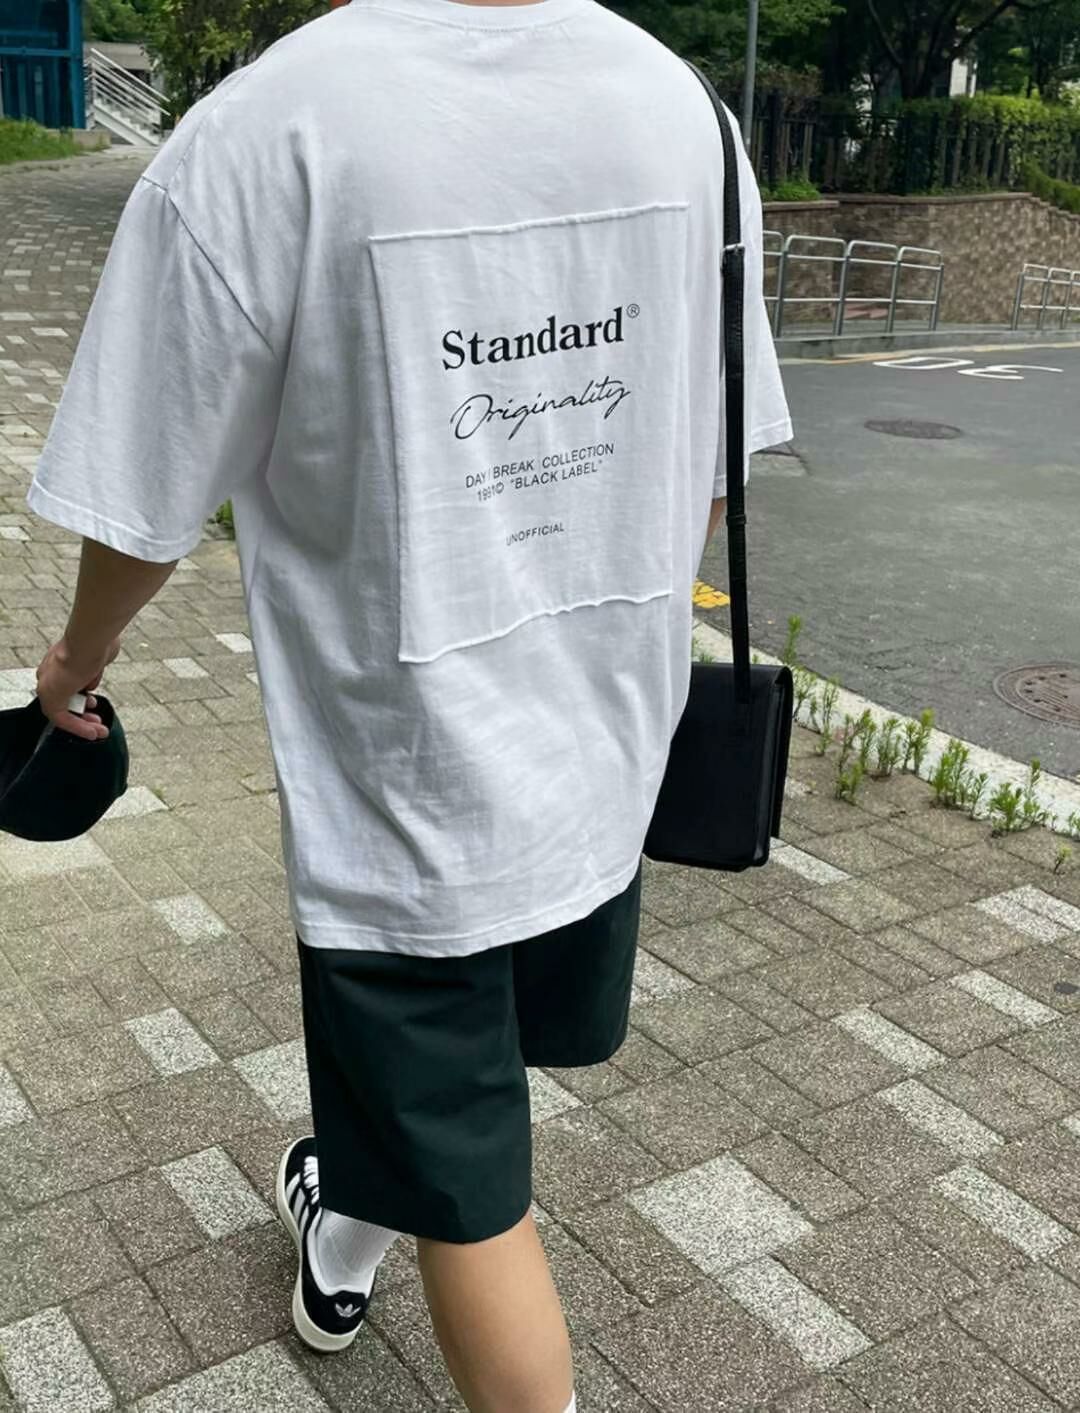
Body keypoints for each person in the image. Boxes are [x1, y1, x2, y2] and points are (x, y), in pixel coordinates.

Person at [28, 0, 792, 1408]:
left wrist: (77, 658)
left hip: (411, 784)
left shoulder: (267, 135)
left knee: (476, 1189)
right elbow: (711, 466)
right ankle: (342, 1235)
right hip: (607, 741)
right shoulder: (684, 109)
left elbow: (142, 492)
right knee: (453, 1087)